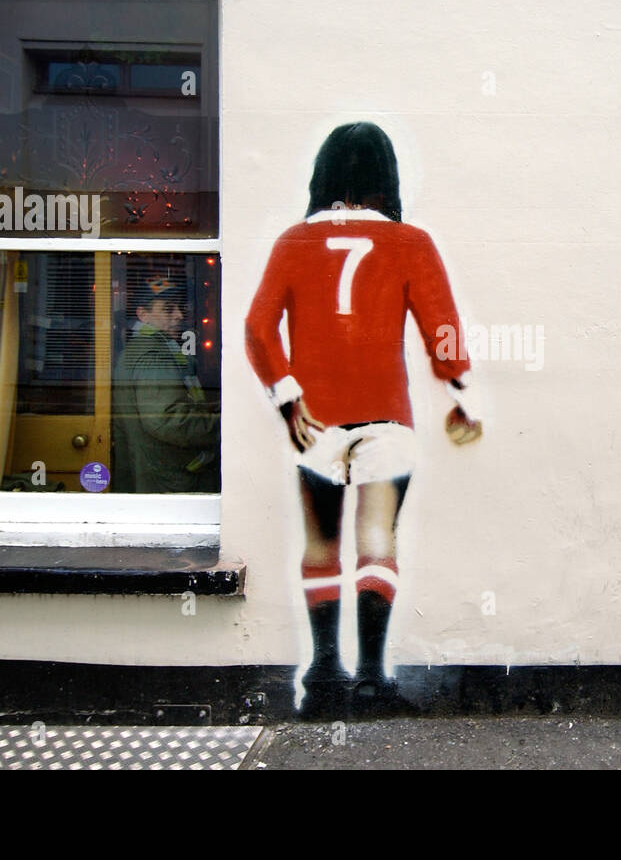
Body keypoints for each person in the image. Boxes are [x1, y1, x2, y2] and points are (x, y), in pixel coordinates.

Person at [245, 122, 483, 716]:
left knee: (320, 541)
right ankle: (374, 678)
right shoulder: (411, 242)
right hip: (386, 419)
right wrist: (460, 391)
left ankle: (324, 673)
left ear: (323, 176)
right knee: (377, 540)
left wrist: (287, 395)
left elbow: (256, 327)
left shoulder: (292, 242)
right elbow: (442, 330)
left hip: (315, 420)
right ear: (387, 179)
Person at [111, 274, 220, 493]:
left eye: (179, 307)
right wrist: (223, 426)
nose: (179, 315)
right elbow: (166, 419)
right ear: (143, 315)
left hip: (157, 475)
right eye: (169, 309)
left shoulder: (141, 349)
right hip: (171, 480)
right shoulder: (154, 354)